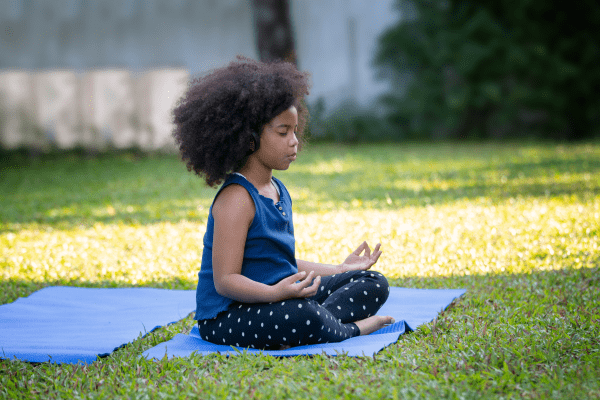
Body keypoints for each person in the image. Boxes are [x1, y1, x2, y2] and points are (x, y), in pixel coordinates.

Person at [172, 56, 394, 350]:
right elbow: (225, 280)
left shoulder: (277, 189)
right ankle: (350, 329)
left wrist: (341, 269)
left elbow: (282, 263)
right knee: (301, 314)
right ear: (249, 137)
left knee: (372, 282)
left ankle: (324, 325)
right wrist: (276, 293)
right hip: (229, 316)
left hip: (279, 298)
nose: (295, 142)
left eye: (295, 130)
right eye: (282, 132)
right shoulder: (236, 199)